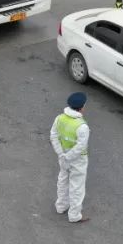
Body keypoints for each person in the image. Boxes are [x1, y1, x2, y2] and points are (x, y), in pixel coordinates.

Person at [50, 92, 90, 223]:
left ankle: (61, 206)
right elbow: (80, 147)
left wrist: (61, 154)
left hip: (62, 156)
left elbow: (54, 136)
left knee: (62, 181)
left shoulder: (59, 118)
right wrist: (68, 156)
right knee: (77, 187)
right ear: (82, 107)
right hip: (77, 160)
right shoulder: (82, 126)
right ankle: (74, 215)